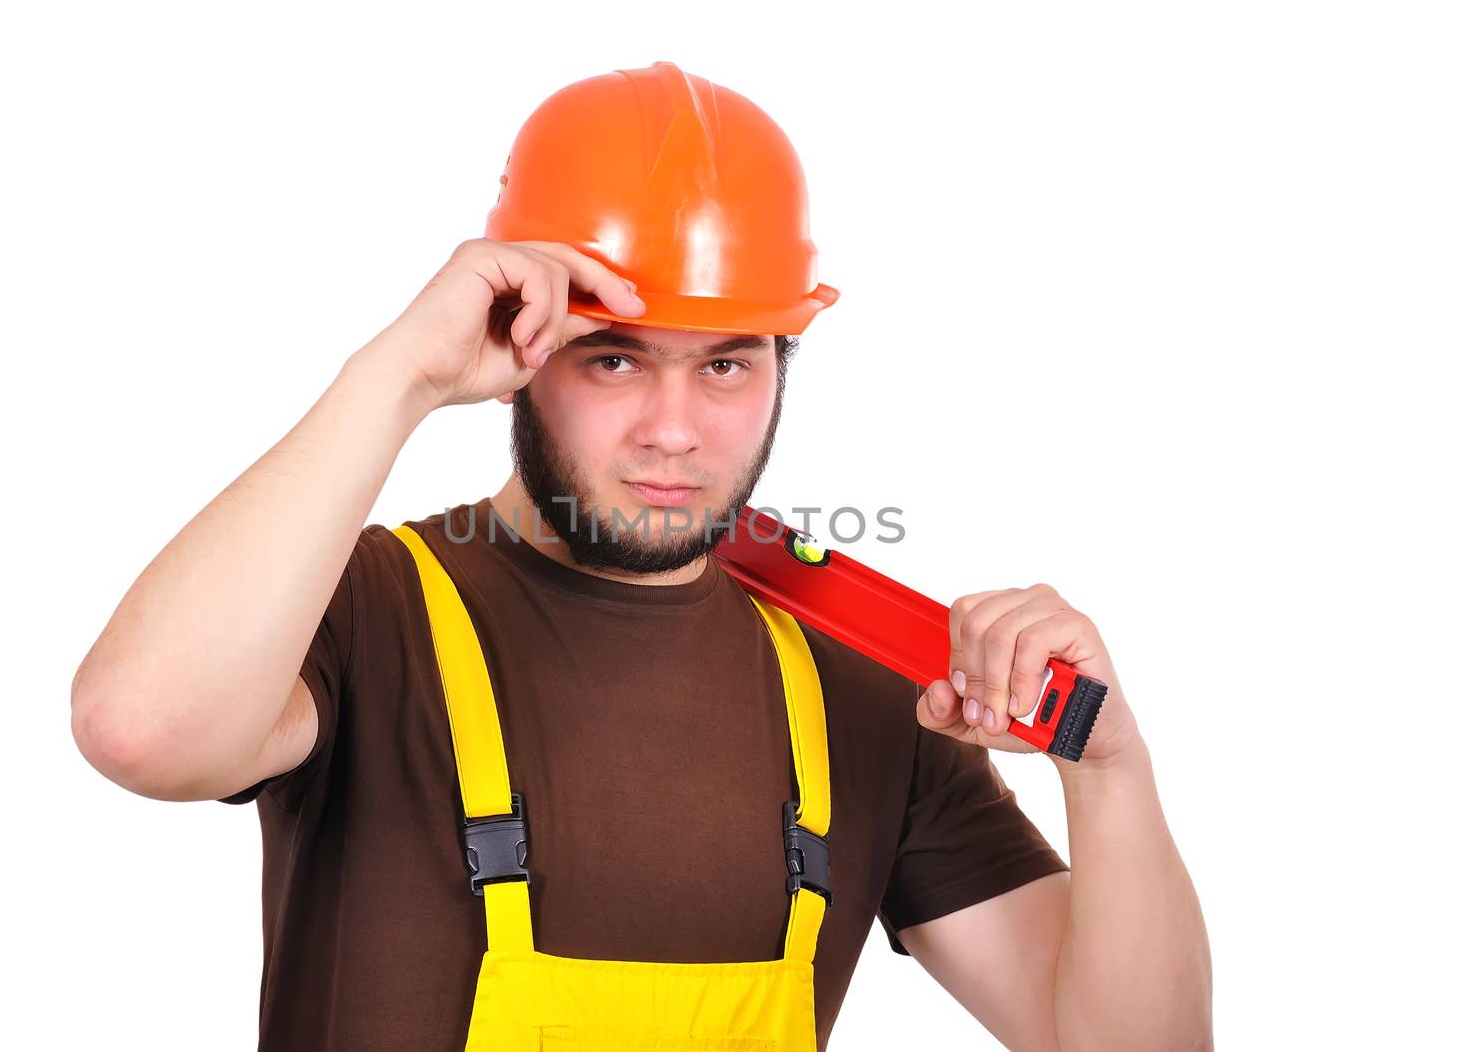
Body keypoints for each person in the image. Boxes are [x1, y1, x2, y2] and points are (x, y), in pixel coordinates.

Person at [70, 62, 1211, 1050]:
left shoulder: (861, 679)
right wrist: (399, 375)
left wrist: (1108, 773)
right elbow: (141, 729)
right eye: (613, 359)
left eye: (726, 364)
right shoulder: (365, 609)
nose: (674, 430)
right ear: (516, 342)